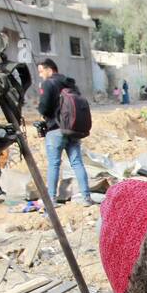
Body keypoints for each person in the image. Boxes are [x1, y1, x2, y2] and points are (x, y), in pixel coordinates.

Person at [35, 58, 92, 205]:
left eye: (41, 71)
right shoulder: (70, 83)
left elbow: (44, 107)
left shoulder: (48, 83)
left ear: (50, 69)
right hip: (73, 129)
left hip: (55, 130)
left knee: (54, 164)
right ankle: (86, 197)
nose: (41, 75)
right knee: (77, 163)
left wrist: (43, 115)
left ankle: (51, 199)